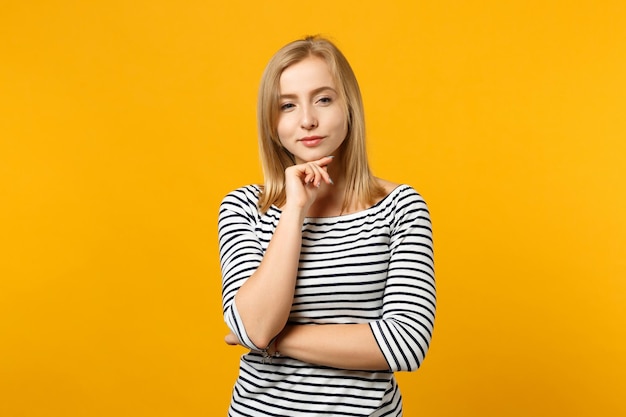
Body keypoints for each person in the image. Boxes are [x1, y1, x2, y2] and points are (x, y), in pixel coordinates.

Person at [218, 35, 436, 416]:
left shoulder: (398, 207)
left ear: (349, 106)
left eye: (323, 99)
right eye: (287, 105)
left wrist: (269, 342)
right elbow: (255, 324)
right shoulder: (244, 208)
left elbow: (405, 343)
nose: (307, 120)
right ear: (271, 124)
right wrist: (294, 211)